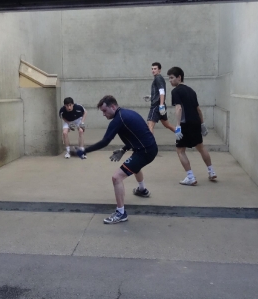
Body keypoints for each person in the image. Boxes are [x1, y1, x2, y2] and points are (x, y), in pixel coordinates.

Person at [74, 95, 158, 224]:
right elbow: (136, 134)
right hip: (148, 148)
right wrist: (124, 149)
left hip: (145, 151)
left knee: (116, 177)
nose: (103, 114)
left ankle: (120, 213)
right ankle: (142, 190)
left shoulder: (118, 120)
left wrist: (84, 151)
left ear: (113, 107)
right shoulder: (127, 113)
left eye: (104, 110)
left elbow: (105, 142)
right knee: (135, 166)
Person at [167, 66, 217, 186]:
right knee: (200, 147)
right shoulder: (191, 91)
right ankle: (211, 172)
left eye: (172, 78)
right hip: (195, 122)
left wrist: (178, 126)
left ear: (179, 77)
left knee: (180, 150)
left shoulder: (176, 91)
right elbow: (198, 109)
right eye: (169, 78)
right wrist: (202, 123)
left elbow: (178, 108)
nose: (170, 80)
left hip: (185, 124)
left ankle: (190, 177)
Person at [146, 62, 175, 134]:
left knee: (150, 125)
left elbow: (162, 91)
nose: (153, 70)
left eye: (155, 69)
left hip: (156, 106)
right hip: (159, 105)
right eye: (152, 69)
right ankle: (183, 135)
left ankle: (150, 144)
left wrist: (161, 105)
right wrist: (151, 97)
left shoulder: (158, 78)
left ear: (159, 70)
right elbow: (159, 92)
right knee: (167, 125)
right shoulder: (158, 78)